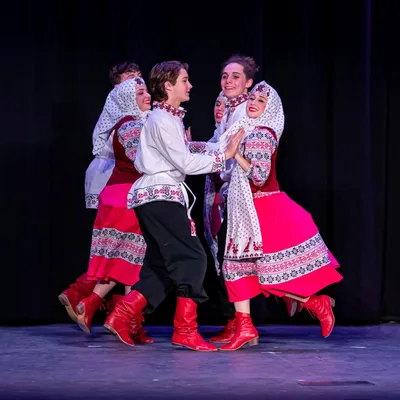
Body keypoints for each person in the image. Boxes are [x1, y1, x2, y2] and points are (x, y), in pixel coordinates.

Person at [103, 60, 243, 351]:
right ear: (168, 85)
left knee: (161, 266)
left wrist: (221, 148)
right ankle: (185, 330)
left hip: (157, 196)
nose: (190, 86)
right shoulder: (161, 120)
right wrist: (223, 157)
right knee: (193, 258)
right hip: (159, 196)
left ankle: (123, 314)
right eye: (185, 80)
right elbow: (184, 163)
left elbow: (183, 152)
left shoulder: (167, 119)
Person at [217, 81, 343, 351]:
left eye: (262, 101)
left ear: (270, 109)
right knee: (236, 269)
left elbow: (260, 177)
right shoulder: (247, 130)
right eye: (252, 98)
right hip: (246, 207)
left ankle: (314, 302)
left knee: (260, 272)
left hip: (263, 208)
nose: (253, 103)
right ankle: (245, 327)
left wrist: (236, 154)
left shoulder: (262, 133)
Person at [58, 61, 141, 323]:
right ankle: (85, 294)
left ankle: (114, 312)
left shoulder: (132, 109)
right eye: (130, 79)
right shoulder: (123, 110)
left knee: (121, 247)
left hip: (116, 180)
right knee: (124, 247)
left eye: (139, 78)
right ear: (118, 86)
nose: (136, 83)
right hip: (115, 180)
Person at [74, 78, 154, 346]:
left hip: (122, 195)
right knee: (133, 261)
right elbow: (141, 162)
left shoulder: (134, 123)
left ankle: (107, 312)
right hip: (126, 197)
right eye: (139, 92)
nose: (147, 95)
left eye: (146, 91)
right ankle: (115, 315)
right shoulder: (130, 125)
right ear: (127, 99)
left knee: (127, 262)